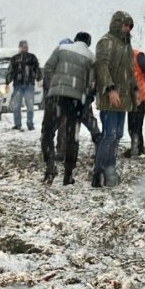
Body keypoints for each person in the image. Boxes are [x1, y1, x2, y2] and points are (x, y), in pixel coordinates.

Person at [40, 32, 95, 185]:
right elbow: (92, 84)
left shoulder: (61, 49)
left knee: (47, 133)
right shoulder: (91, 57)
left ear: (75, 39)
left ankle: (50, 169)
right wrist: (85, 98)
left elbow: (48, 67)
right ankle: (68, 175)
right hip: (76, 100)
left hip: (56, 97)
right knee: (72, 138)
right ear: (88, 43)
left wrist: (54, 85)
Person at [92, 11, 136, 187]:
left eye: (130, 26)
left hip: (123, 99)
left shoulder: (126, 45)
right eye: (125, 25)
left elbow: (129, 72)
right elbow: (101, 67)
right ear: (118, 24)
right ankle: (98, 172)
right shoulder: (106, 42)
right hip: (110, 97)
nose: (127, 29)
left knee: (117, 135)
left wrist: (135, 91)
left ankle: (110, 171)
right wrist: (110, 88)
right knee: (109, 135)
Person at [123, 49, 145, 158]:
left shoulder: (138, 55)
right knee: (132, 125)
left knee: (136, 124)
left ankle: (138, 149)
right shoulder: (122, 57)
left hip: (141, 94)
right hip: (132, 96)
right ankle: (138, 147)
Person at [6, 40, 41, 131]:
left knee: (30, 106)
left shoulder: (32, 58)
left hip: (29, 85)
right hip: (18, 85)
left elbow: (37, 69)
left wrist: (39, 79)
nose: (25, 48)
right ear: (19, 47)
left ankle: (30, 124)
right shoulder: (14, 58)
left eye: (26, 46)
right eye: (23, 46)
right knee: (16, 106)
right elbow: (10, 71)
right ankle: (17, 124)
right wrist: (7, 82)